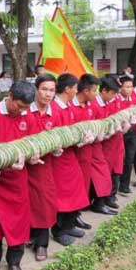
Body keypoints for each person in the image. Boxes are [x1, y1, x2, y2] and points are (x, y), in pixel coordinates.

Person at [0, 80, 37, 270]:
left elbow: (32, 143)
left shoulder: (27, 115)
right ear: (10, 97)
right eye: (19, 106)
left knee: (19, 222)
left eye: (25, 108)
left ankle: (14, 261)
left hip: (17, 179)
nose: (21, 110)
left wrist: (32, 155)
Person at [50, 73, 90, 245]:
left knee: (75, 190)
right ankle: (59, 230)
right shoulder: (55, 109)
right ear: (67, 89)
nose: (76, 91)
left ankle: (69, 223)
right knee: (62, 195)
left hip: (70, 156)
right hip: (59, 159)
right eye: (75, 88)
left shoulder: (67, 107)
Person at [27, 74, 60, 261]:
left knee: (44, 204)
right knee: (27, 203)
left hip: (44, 167)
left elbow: (61, 136)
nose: (48, 94)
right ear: (36, 90)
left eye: (51, 90)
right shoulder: (25, 111)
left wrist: (57, 149)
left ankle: (42, 244)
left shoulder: (56, 113)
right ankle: (30, 236)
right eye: (44, 89)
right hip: (22, 167)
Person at [72, 74, 116, 215]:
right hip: (77, 149)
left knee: (101, 173)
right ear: (85, 91)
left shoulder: (92, 105)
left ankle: (98, 202)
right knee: (79, 181)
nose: (95, 94)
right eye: (94, 91)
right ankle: (76, 213)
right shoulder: (72, 107)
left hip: (93, 146)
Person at [95, 75, 123, 209]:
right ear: (104, 91)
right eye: (112, 93)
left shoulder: (106, 102)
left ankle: (105, 199)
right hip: (99, 145)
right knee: (102, 174)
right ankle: (99, 202)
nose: (114, 97)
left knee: (111, 171)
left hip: (110, 143)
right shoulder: (95, 104)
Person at [118, 76, 136, 194]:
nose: (129, 89)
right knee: (120, 159)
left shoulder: (133, 100)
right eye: (127, 87)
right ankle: (116, 183)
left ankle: (125, 184)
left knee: (129, 159)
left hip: (132, 132)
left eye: (131, 87)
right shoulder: (117, 100)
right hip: (120, 134)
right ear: (121, 88)